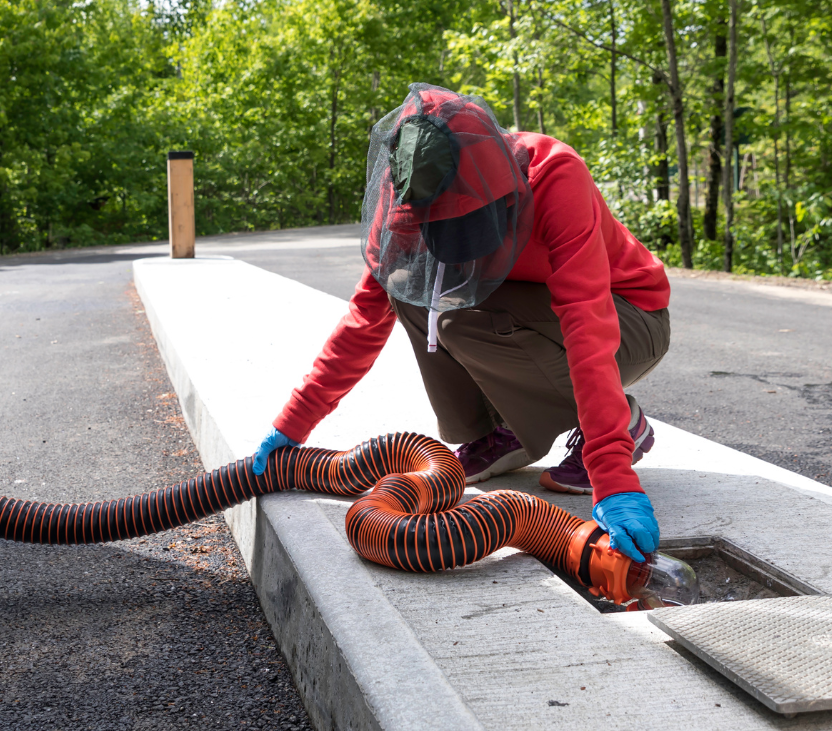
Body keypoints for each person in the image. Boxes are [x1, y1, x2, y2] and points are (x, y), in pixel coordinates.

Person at [249, 83, 672, 562]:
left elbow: (587, 325)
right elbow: (365, 318)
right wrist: (292, 425)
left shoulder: (554, 175)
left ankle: (625, 424)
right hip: (536, 312)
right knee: (407, 284)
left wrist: (612, 474)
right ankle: (503, 429)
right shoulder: (402, 194)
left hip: (630, 318)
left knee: (461, 317)